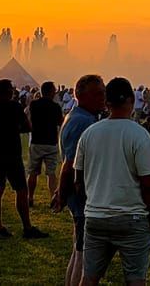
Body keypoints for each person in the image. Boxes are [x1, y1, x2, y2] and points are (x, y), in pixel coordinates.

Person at [75, 77, 150, 286]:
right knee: (135, 279)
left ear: (107, 102)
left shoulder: (89, 134)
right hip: (132, 216)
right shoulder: (139, 135)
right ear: (131, 100)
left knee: (89, 277)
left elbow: (78, 179)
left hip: (96, 216)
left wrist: (92, 203)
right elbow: (148, 184)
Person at [57, 75, 106, 286]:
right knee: (84, 256)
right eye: (98, 94)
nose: (103, 98)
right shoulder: (83, 122)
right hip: (82, 196)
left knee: (78, 251)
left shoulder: (78, 116)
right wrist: (61, 193)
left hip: (78, 196)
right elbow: (69, 164)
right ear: (81, 95)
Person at [0, 79, 44, 239]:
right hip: (12, 153)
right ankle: (27, 227)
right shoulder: (15, 107)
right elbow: (27, 127)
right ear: (10, 91)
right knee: (21, 190)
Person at [28, 81, 65, 203]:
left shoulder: (34, 104)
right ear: (52, 92)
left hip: (36, 141)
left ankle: (30, 197)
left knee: (33, 172)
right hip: (51, 142)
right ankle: (53, 198)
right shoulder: (55, 107)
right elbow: (61, 122)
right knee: (51, 173)